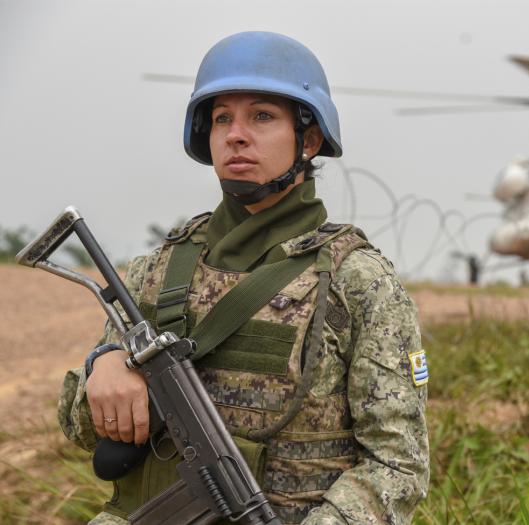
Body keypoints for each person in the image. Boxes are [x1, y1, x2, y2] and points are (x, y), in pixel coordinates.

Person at [58, 31, 429, 525]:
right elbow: (79, 429)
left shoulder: (356, 281)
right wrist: (103, 370)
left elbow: (399, 464)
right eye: (221, 118)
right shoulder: (158, 270)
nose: (236, 134)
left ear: (310, 139)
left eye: (262, 116)